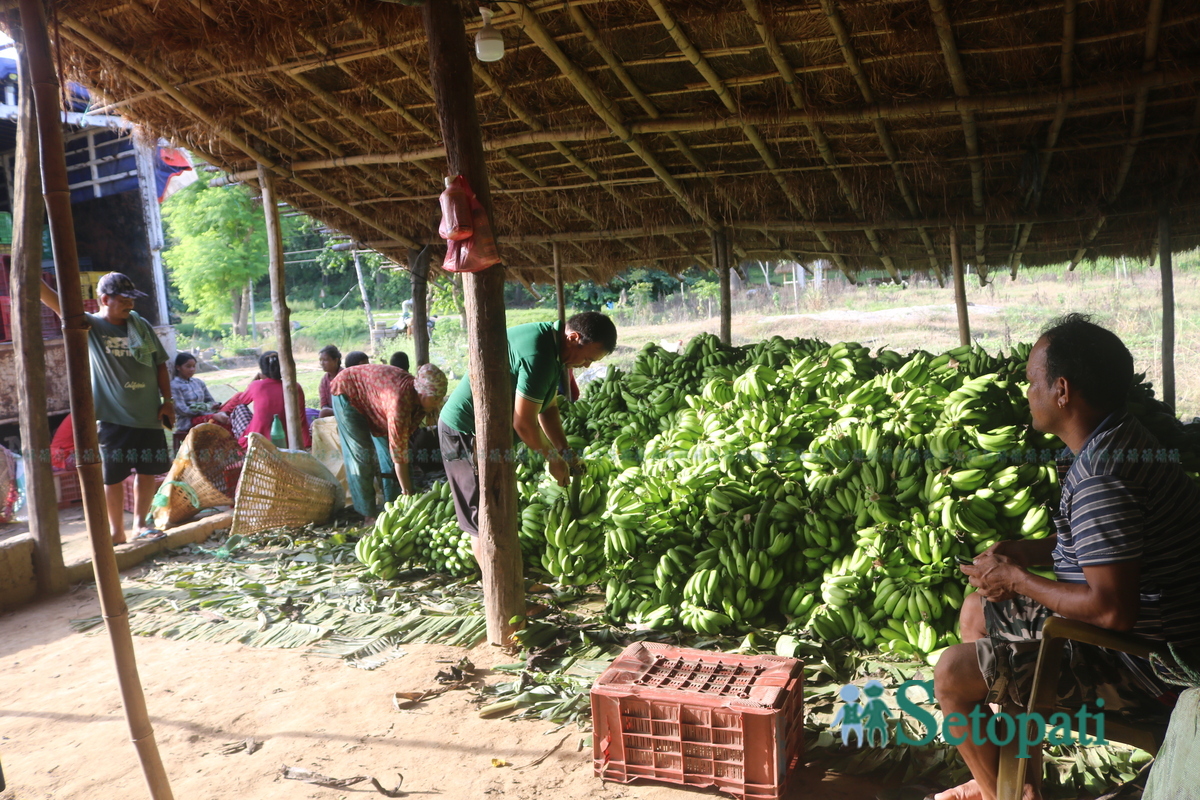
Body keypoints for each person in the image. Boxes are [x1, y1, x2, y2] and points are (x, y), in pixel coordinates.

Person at [931, 314, 1200, 800]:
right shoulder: (1122, 438)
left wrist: (1016, 578)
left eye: (1032, 380)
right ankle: (1013, 778)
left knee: (952, 675)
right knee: (977, 610)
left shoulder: (1102, 477)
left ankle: (1005, 795)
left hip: (1149, 665)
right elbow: (1110, 549)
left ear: (1062, 390)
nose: (1026, 391)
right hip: (1152, 635)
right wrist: (1025, 552)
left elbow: (1112, 610)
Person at [439, 311, 616, 537]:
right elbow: (523, 423)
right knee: (482, 523)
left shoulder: (554, 345)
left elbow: (548, 408)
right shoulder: (539, 356)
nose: (587, 366)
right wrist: (552, 458)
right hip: (465, 432)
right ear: (573, 338)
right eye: (588, 358)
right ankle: (493, 572)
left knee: (497, 508)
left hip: (492, 435)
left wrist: (566, 452)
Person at [40, 272, 173, 544]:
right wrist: (30, 275)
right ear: (104, 300)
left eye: (132, 300)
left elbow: (160, 363)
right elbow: (56, 303)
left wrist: (167, 401)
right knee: (112, 478)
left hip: (148, 415)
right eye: (124, 301)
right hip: (114, 418)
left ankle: (140, 525)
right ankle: (116, 531)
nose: (130, 306)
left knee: (147, 473)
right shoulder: (91, 326)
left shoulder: (141, 325)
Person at [331, 362, 447, 520]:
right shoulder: (399, 402)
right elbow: (399, 454)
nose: (438, 403)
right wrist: (408, 491)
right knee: (361, 456)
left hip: (376, 401)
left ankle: (394, 505)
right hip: (348, 391)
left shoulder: (418, 399)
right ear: (423, 394)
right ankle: (367, 513)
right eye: (435, 399)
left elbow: (402, 445)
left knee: (388, 456)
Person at [220, 351, 310, 450]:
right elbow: (301, 418)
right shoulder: (295, 387)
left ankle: (241, 446)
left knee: (239, 408)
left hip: (257, 443)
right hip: (288, 441)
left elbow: (241, 401)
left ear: (262, 370)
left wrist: (255, 380)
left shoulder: (256, 386)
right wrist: (306, 443)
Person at [171, 352, 230, 447]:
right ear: (178, 367)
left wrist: (214, 405)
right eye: (188, 366)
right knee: (220, 421)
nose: (192, 369)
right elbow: (182, 410)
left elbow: (210, 400)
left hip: (205, 415)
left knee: (231, 413)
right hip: (187, 421)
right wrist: (205, 409)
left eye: (194, 366)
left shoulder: (198, 382)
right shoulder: (175, 385)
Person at [317, 344, 341, 418]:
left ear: (335, 360)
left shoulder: (344, 376)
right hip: (331, 412)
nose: (322, 363)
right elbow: (324, 404)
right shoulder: (324, 380)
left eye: (325, 360)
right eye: (320, 360)